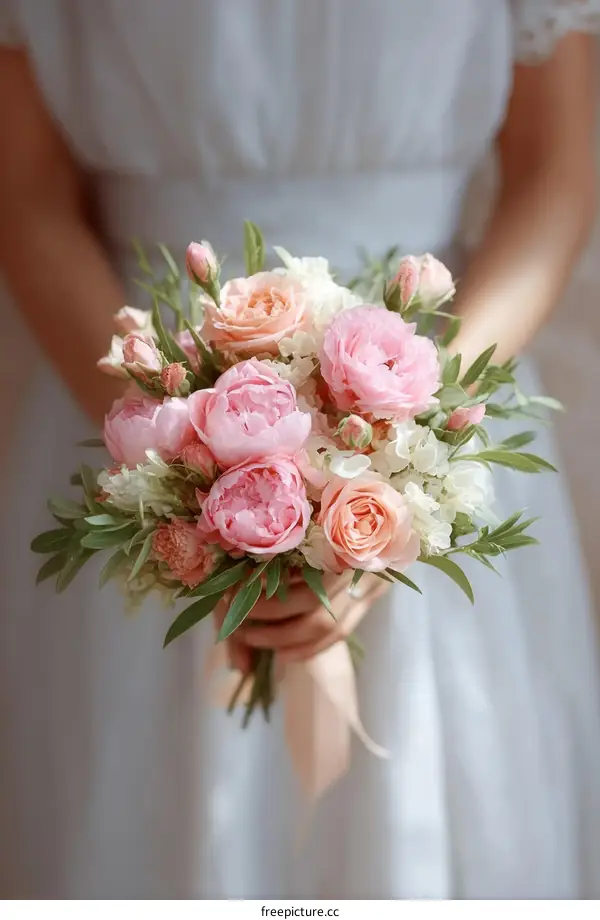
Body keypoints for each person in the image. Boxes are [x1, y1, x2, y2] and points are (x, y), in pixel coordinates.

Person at [1, 0, 600, 900]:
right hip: (125, 396)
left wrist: (406, 451)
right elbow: (29, 199)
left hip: (439, 380)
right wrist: (183, 454)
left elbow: (557, 171)